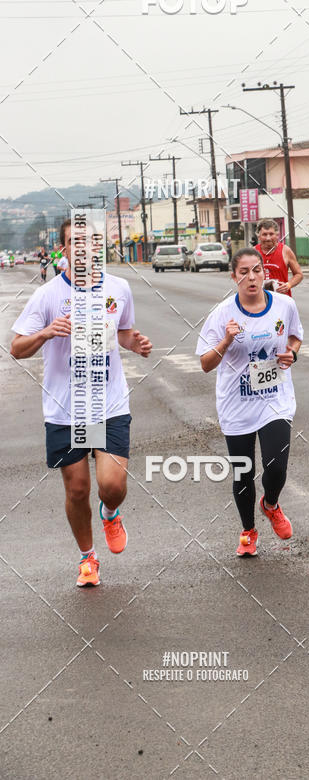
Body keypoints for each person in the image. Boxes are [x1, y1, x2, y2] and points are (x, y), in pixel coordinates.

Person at [10, 218, 152, 587]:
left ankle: (110, 512)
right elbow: (16, 349)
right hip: (65, 408)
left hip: (108, 404)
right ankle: (88, 558)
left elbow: (123, 332)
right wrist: (45, 332)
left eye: (90, 241)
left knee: (112, 486)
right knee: (76, 490)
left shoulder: (118, 288)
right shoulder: (48, 295)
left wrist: (135, 343)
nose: (83, 248)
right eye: (75, 242)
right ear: (65, 249)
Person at [197, 247, 303, 556]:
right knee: (243, 473)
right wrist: (226, 341)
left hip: (275, 401)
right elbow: (205, 363)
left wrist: (292, 353)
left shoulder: (283, 305)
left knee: (276, 467)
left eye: (256, 270)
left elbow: (295, 337)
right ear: (233, 277)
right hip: (237, 405)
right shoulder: (222, 314)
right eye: (243, 272)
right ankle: (248, 531)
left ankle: (270, 504)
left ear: (264, 273)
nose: (251, 277)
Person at [254, 219, 303, 296]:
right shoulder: (252, 252)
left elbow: (298, 274)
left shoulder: (285, 250)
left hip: (282, 298)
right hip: (259, 300)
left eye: (271, 234)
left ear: (277, 235)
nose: (268, 238)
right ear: (258, 236)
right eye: (264, 234)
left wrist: (288, 285)